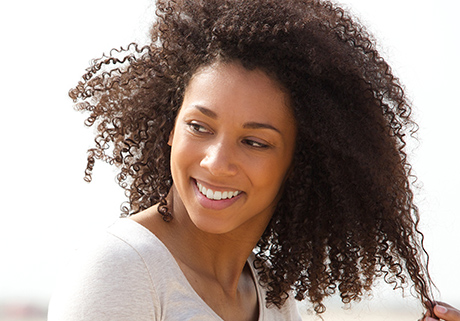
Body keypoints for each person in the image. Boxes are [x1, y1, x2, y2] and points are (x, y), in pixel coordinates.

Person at [48, 0, 460, 320]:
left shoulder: (266, 295)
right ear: (170, 128)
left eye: (255, 142)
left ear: (300, 163)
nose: (216, 161)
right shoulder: (121, 271)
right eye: (199, 126)